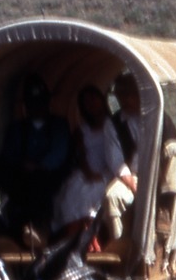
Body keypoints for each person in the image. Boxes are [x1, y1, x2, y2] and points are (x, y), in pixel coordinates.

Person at [0, 73, 71, 245]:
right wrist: (20, 164)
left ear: (47, 103)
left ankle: (37, 231)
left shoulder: (58, 125)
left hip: (47, 177)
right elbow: (8, 154)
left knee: (37, 183)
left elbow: (58, 154)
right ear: (26, 106)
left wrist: (39, 165)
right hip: (21, 175)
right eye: (32, 103)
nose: (36, 107)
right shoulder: (17, 128)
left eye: (40, 102)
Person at [52, 85, 133, 241]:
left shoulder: (116, 124)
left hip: (113, 169)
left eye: (93, 99)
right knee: (74, 194)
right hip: (90, 171)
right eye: (86, 102)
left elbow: (125, 151)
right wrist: (88, 171)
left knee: (100, 193)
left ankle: (99, 235)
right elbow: (81, 155)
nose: (91, 104)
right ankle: (75, 235)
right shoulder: (82, 130)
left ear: (102, 100)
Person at [105, 73, 143, 240]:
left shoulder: (155, 117)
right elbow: (116, 160)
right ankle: (119, 241)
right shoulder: (113, 123)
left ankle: (166, 211)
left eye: (129, 95)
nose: (125, 100)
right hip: (132, 177)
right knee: (111, 196)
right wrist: (134, 186)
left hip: (156, 176)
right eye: (121, 96)